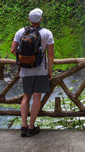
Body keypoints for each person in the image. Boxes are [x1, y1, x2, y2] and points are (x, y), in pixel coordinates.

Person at [11, 8, 54, 137]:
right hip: (41, 70)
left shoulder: (21, 31)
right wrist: (50, 71)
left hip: (26, 69)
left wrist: (23, 59)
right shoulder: (47, 33)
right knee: (36, 97)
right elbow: (51, 55)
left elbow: (13, 49)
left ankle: (23, 126)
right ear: (41, 19)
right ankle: (31, 127)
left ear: (29, 19)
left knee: (26, 96)